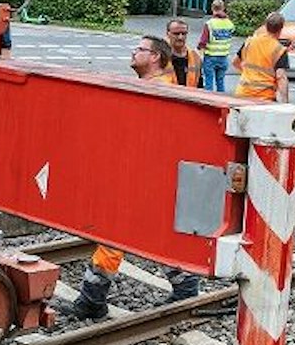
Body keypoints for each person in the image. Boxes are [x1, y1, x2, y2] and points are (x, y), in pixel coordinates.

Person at [68, 39, 202, 317]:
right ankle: (185, 285)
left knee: (115, 231)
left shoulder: (160, 91)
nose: (133, 52)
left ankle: (92, 300)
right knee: (153, 232)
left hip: (144, 175)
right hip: (144, 175)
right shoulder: (151, 89)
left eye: (140, 49)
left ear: (154, 57)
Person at [234, 11, 290, 102]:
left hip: (243, 94)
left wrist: (249, 74)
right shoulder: (279, 49)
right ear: (281, 29)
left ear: (265, 26)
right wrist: (285, 102)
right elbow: (281, 77)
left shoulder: (249, 42)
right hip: (264, 97)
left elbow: (235, 62)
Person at [197, 0, 236, 93]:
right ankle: (221, 101)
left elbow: (203, 41)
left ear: (212, 8)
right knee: (220, 82)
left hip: (210, 57)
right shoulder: (230, 24)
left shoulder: (210, 24)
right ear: (223, 8)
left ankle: (209, 103)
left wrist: (199, 51)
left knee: (209, 82)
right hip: (223, 57)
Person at [166, 18, 203, 88]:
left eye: (184, 33)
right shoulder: (159, 56)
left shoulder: (195, 57)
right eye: (176, 34)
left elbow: (199, 84)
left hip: (189, 96)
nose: (180, 37)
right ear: (168, 34)